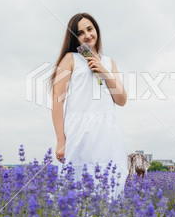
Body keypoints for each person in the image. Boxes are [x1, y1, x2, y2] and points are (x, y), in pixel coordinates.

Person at [49, 13, 129, 199]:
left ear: (96, 30)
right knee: (76, 187)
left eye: (90, 29)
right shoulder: (70, 59)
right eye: (80, 32)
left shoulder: (109, 62)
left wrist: (104, 71)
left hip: (108, 132)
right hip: (80, 131)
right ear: (74, 38)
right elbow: (57, 101)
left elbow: (121, 100)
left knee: (110, 186)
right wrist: (61, 140)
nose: (87, 35)